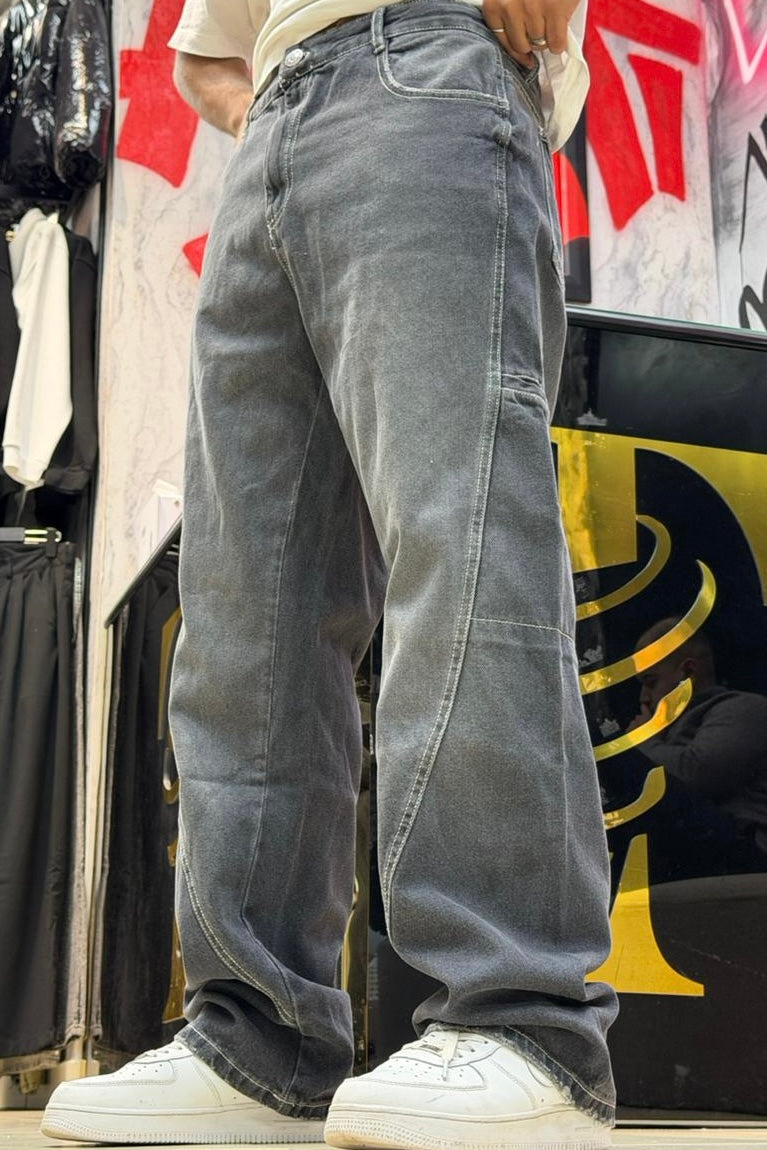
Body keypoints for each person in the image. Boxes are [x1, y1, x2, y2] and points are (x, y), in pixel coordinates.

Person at [42, 0, 618, 1145]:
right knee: (247, 609)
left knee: (460, 551)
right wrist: (283, 112)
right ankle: (256, 1037)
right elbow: (205, 54)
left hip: (433, 60)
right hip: (276, 108)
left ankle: (524, 1018)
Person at [629, 618, 767, 860]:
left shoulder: (744, 708)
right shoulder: (667, 732)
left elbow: (697, 772)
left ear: (688, 672)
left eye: (651, 682)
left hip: (745, 857)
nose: (644, 698)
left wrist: (643, 741)